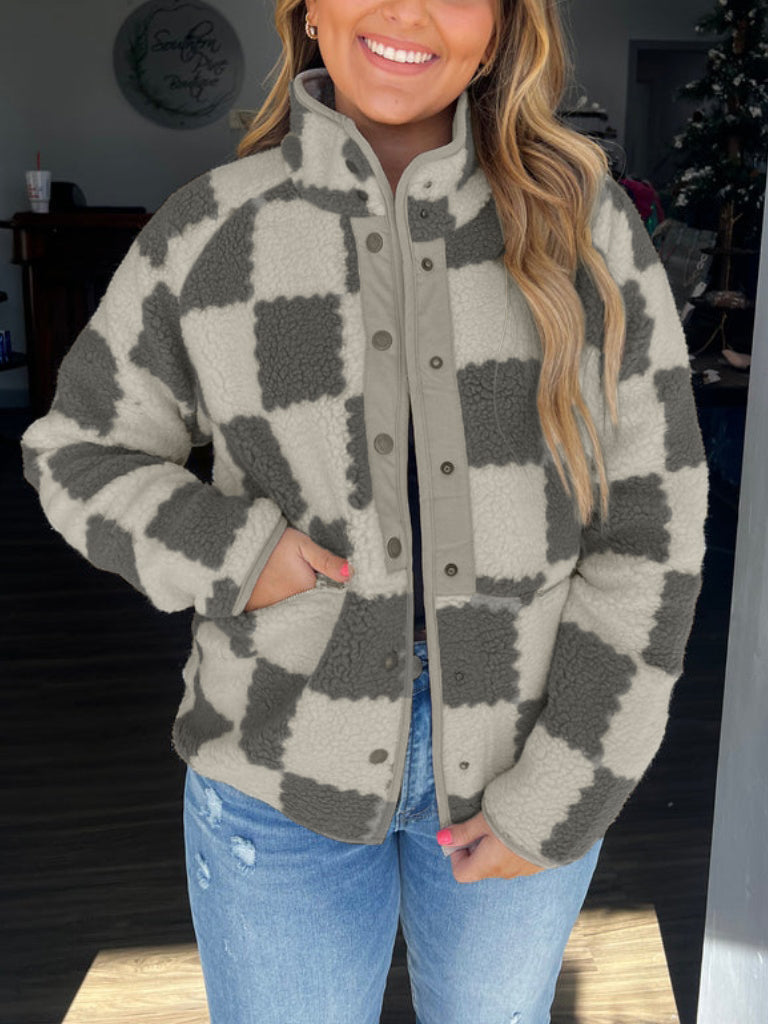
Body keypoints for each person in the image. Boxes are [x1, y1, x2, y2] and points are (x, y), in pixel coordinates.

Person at [20, 0, 708, 1020]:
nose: (405, 10)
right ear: (307, 9)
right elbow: (76, 450)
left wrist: (569, 781)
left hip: (527, 753)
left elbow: (651, 527)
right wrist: (234, 552)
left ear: (502, 24)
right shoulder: (211, 227)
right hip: (273, 762)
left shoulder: (586, 227)